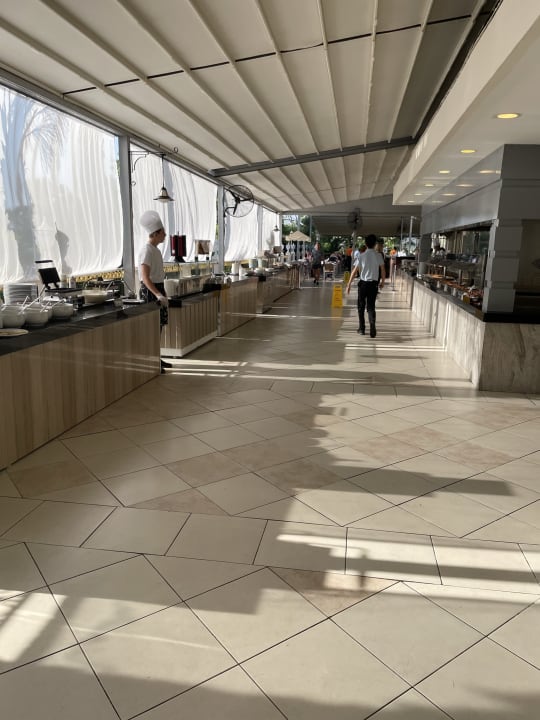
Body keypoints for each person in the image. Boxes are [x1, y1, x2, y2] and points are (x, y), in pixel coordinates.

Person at [139, 210, 172, 373]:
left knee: (158, 326)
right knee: (151, 328)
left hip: (158, 289)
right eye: (163, 233)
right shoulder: (147, 250)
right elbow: (145, 278)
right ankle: (150, 361)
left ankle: (156, 357)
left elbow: (158, 276)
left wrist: (163, 292)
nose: (165, 235)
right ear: (156, 233)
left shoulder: (156, 250)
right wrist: (157, 294)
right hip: (150, 292)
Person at [346, 234, 385, 337]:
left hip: (363, 284)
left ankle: (362, 329)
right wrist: (383, 282)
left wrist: (349, 284)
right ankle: (372, 324)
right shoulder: (378, 255)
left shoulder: (361, 255)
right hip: (373, 285)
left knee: (361, 306)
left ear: (366, 244)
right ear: (375, 244)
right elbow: (382, 269)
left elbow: (354, 271)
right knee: (371, 306)